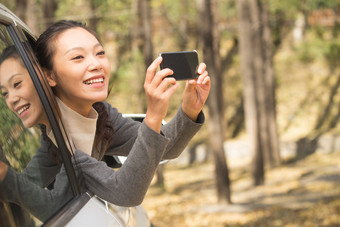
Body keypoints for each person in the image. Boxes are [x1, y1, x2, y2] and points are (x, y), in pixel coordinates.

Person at [0, 20, 210, 221]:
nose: (96, 64)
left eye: (100, 53)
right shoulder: (64, 144)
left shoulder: (102, 115)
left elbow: (166, 146)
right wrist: (153, 115)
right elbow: (126, 192)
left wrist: (189, 109)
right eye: (77, 58)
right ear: (49, 77)